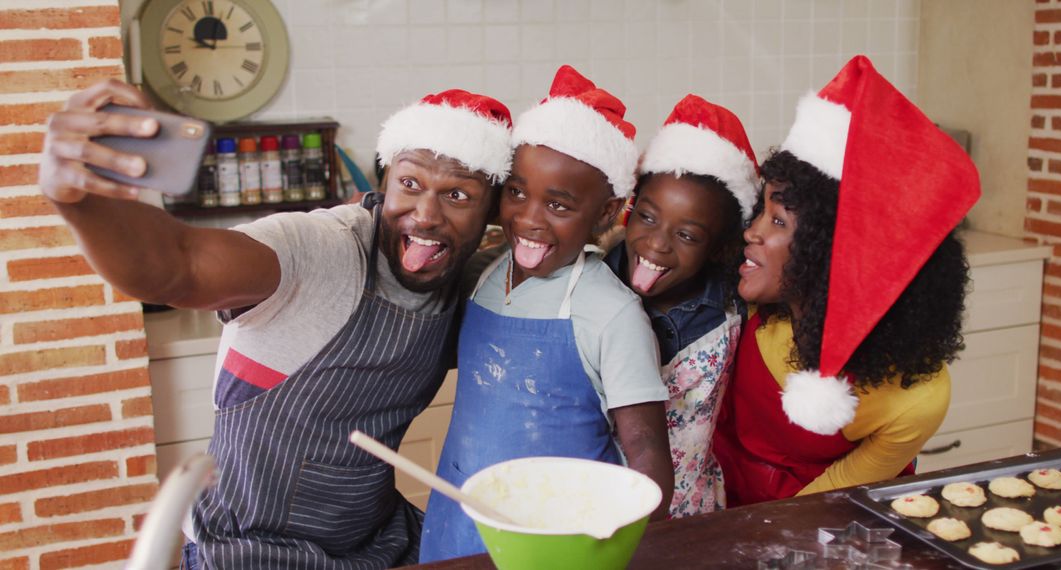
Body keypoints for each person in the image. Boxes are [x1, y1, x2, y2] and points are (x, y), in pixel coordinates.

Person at [38, 80, 514, 568]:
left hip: (376, 543)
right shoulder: (320, 249)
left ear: (492, 214)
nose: (426, 215)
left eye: (457, 195)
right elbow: (179, 265)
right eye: (409, 184)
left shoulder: (468, 283)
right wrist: (78, 202)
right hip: (247, 549)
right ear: (387, 178)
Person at [419, 65, 673, 562]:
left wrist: (607, 545)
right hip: (459, 514)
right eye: (516, 192)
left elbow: (647, 458)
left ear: (605, 213)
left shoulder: (612, 313)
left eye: (558, 205)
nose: (529, 218)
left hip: (560, 540)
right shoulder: (485, 276)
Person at [712, 55, 980, 507]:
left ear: (835, 250)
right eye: (761, 211)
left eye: (777, 221)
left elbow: (824, 507)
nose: (752, 232)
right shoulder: (749, 306)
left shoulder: (917, 397)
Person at [604, 94, 758, 517]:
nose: (657, 244)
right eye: (648, 217)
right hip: (599, 510)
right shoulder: (590, 285)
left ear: (719, 246)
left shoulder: (735, 302)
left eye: (687, 235)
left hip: (695, 512)